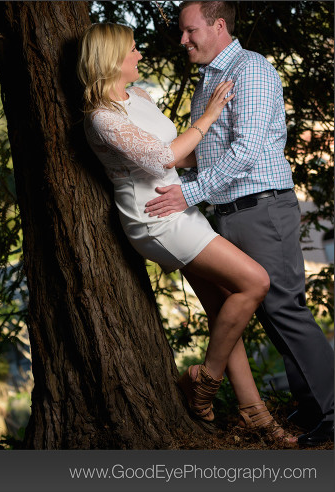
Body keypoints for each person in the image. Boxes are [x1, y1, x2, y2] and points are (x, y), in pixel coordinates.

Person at [78, 22, 294, 445]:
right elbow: (162, 157)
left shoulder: (137, 96)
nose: (140, 54)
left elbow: (183, 148)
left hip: (181, 205)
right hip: (155, 218)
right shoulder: (101, 118)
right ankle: (205, 382)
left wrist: (240, 145)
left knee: (221, 312)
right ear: (112, 59)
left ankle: (256, 416)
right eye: (134, 49)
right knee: (255, 282)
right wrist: (211, 115)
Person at [145, 1, 334, 447]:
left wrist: (188, 193)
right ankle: (313, 408)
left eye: (190, 31)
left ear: (218, 25)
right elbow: (208, 153)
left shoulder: (250, 70)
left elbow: (246, 150)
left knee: (285, 308)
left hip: (261, 208)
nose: (183, 39)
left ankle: (332, 413)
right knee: (270, 315)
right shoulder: (208, 80)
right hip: (230, 212)